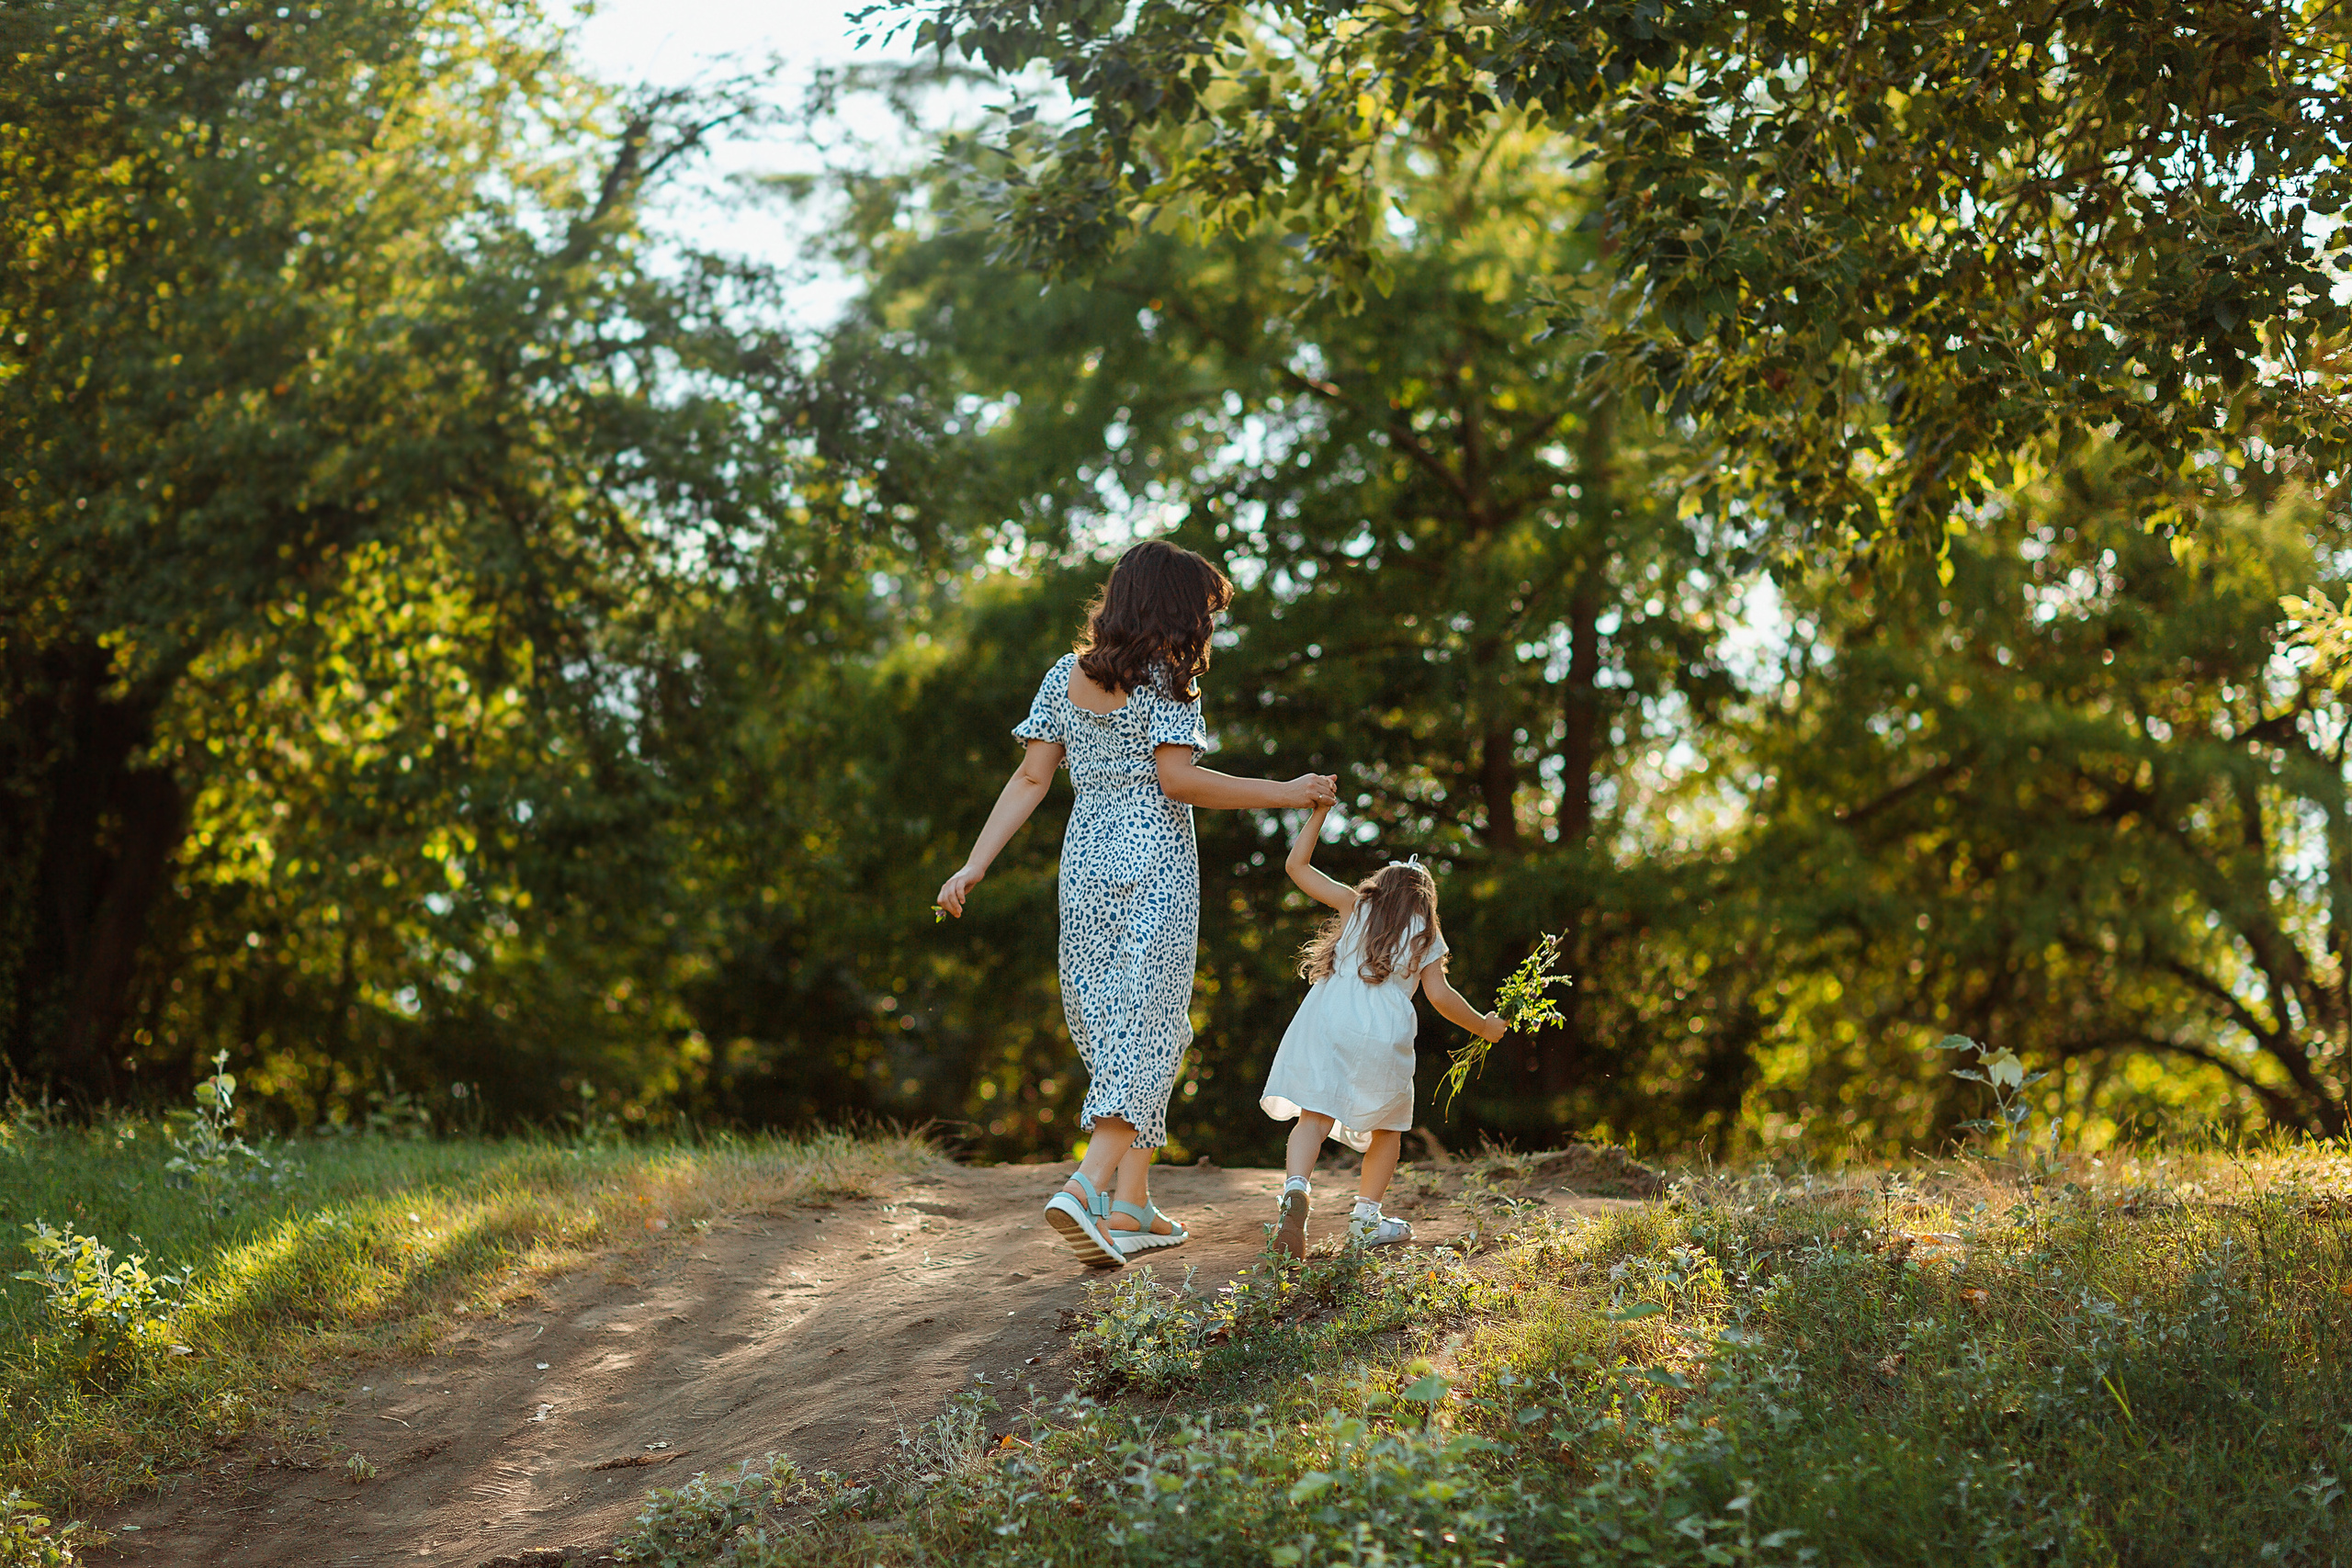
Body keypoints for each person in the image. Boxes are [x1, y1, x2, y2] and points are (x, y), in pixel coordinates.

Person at [934, 540, 1338, 1268]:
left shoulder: (1064, 675)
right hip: (1154, 859)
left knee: (1133, 1023)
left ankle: (1132, 1201)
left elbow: (1030, 780)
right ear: (1171, 609)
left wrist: (974, 862)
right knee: (1147, 1023)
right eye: (1203, 613)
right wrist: (1289, 790)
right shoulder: (1165, 680)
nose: (1206, 629)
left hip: (1086, 856)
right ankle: (1086, 1189)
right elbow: (1180, 782)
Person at [1261, 803, 1506, 1256]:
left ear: (1380, 888)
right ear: (1424, 901)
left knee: (1313, 1115)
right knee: (1387, 1131)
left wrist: (1318, 813)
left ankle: (1295, 1192)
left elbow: (1297, 866)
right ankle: (1365, 1219)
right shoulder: (1427, 933)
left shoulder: (1356, 905)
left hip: (1327, 1018)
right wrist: (1484, 1026)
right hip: (1382, 1032)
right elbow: (1440, 996)